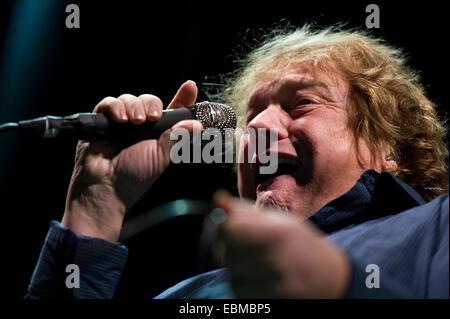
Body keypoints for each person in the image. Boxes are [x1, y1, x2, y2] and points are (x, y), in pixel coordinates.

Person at [26, 25, 448, 299]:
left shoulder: (438, 231)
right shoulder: (188, 298)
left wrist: (342, 287)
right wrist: (93, 210)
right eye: (251, 118)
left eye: (301, 104)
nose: (259, 127)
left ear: (388, 146)